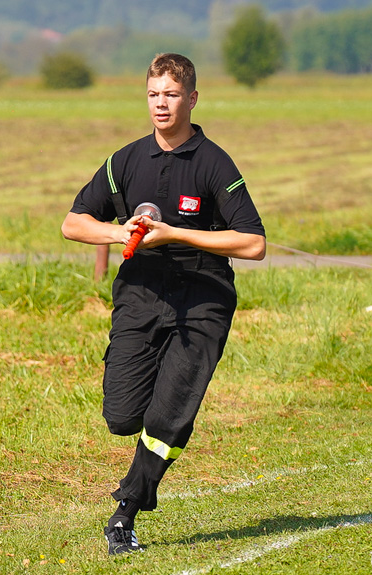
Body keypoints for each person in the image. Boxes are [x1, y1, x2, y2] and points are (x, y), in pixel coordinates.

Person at [61, 53, 266, 556]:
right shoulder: (125, 161)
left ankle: (126, 511)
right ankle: (141, 452)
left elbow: (254, 243)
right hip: (141, 295)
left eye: (171, 95)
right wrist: (118, 231)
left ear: (192, 99)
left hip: (203, 299)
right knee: (122, 414)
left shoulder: (214, 162)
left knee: (170, 414)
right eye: (154, 94)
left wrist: (178, 234)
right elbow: (72, 222)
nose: (161, 104)